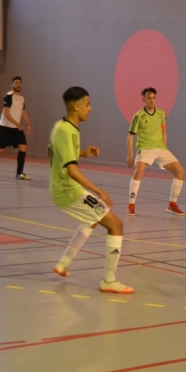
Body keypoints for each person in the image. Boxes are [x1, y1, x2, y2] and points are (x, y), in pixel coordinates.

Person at [49, 86, 133, 293]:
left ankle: (63, 264)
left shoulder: (61, 126)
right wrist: (99, 191)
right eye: (87, 104)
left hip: (61, 188)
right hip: (68, 190)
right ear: (76, 106)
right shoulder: (66, 130)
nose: (91, 109)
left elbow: (59, 155)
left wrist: (84, 152)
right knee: (116, 225)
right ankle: (109, 280)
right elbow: (71, 169)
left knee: (92, 219)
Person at [126, 87, 185, 216]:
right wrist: (130, 154)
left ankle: (172, 204)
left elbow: (164, 131)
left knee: (180, 171)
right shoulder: (138, 116)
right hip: (145, 148)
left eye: (154, 98)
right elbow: (130, 136)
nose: (152, 100)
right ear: (144, 99)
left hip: (160, 148)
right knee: (139, 171)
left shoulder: (161, 114)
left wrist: (164, 148)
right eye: (149, 98)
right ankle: (131, 204)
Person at [0, 76, 33, 180]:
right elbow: (6, 114)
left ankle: (19, 173)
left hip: (16, 128)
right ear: (12, 85)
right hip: (6, 127)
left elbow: (23, 112)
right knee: (0, 149)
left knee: (23, 148)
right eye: (16, 83)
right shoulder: (8, 96)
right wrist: (17, 124)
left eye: (20, 83)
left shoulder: (22, 98)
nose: (18, 85)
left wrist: (29, 124)